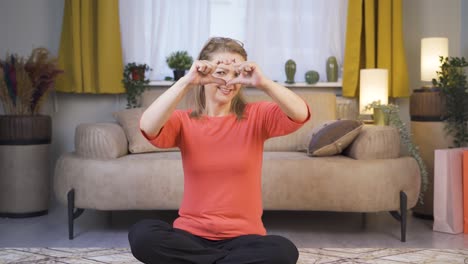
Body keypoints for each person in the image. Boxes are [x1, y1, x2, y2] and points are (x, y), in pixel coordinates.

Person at [128, 37, 310, 264]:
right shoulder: (183, 121)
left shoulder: (257, 116)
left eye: (236, 73)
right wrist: (187, 80)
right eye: (221, 72)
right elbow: (147, 126)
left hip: (244, 238)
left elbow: (300, 114)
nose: (229, 81)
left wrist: (263, 82)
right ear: (203, 72)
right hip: (190, 236)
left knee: (284, 251)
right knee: (142, 234)